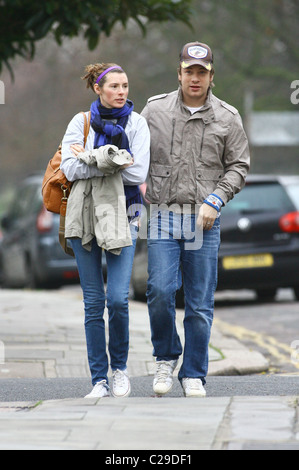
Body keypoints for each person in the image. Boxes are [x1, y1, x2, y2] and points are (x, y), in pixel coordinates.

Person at [141, 42, 250, 397]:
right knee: (158, 290)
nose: (195, 78)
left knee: (199, 303)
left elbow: (239, 166)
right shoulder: (154, 110)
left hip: (203, 221)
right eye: (189, 71)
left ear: (211, 77)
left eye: (202, 72)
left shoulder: (228, 117)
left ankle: (193, 374)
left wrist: (216, 200)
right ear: (179, 73)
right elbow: (133, 150)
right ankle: (166, 356)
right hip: (161, 214)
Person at [60, 63, 150, 398]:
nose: (122, 92)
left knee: (118, 299)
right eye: (114, 86)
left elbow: (137, 172)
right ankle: (98, 379)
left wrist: (90, 159)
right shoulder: (80, 122)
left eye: (125, 85)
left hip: (124, 215)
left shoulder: (137, 123)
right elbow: (68, 167)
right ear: (98, 89)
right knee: (93, 302)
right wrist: (111, 159)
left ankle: (120, 369)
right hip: (83, 217)